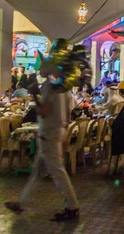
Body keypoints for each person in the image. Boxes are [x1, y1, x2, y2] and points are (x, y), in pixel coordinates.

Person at [5, 80, 80, 221]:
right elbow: (68, 113)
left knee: (57, 172)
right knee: (38, 172)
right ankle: (21, 202)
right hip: (55, 133)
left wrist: (34, 93)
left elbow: (44, 111)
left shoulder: (49, 86)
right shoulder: (64, 87)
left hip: (49, 135)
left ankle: (72, 206)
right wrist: (64, 132)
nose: (41, 68)